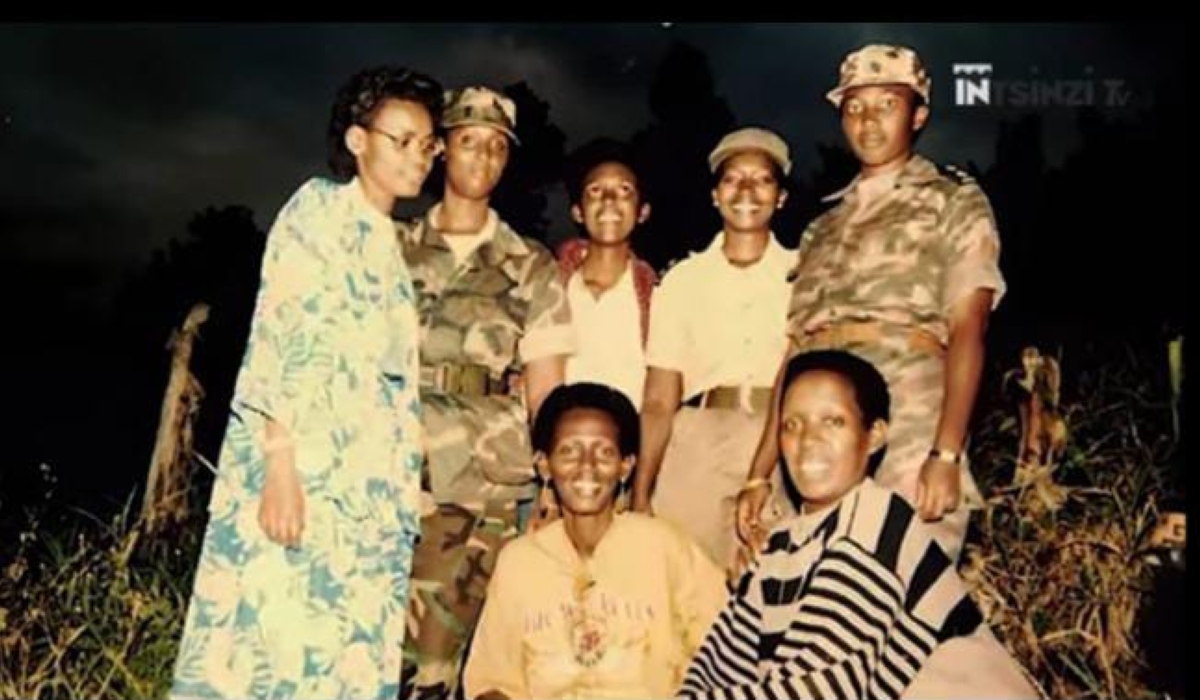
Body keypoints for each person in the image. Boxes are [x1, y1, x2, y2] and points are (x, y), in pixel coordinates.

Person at [170, 65, 441, 700]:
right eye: (401, 139)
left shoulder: (392, 244)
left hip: (366, 499)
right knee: (275, 639)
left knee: (342, 655)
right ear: (357, 141)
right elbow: (281, 337)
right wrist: (281, 466)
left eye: (427, 144)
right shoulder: (319, 209)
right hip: (306, 477)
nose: (419, 157)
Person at [739, 44, 1007, 561]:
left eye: (887, 104)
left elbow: (969, 326)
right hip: (816, 424)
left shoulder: (952, 199)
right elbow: (795, 354)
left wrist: (946, 451)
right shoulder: (823, 226)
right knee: (809, 593)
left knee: (904, 584)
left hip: (908, 417)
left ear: (919, 114)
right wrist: (758, 473)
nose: (868, 121)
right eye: (855, 107)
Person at [682, 350, 1037, 700]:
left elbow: (820, 690)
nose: (808, 440)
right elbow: (717, 669)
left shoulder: (877, 523)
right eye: (792, 424)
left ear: (876, 435)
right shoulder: (780, 546)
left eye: (833, 421)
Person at [398, 85, 575, 700]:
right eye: (468, 140)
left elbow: (547, 382)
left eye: (497, 147)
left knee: (447, 660)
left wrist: (551, 483)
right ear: (442, 148)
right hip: (390, 465)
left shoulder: (529, 263)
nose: (482, 156)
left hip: (482, 479)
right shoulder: (391, 247)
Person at [464, 382, 727, 699]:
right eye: (569, 451)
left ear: (625, 467)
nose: (587, 467)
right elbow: (491, 681)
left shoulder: (664, 548)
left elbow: (726, 653)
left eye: (604, 452)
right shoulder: (519, 561)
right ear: (544, 465)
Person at [633, 127, 795, 572]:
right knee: (685, 578)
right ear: (714, 195)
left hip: (778, 436)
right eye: (732, 179)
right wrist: (641, 491)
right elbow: (659, 398)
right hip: (698, 441)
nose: (745, 190)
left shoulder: (803, 275)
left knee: (771, 582)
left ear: (780, 197)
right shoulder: (683, 280)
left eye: (761, 179)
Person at [556, 138, 658, 412]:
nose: (610, 200)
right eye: (595, 191)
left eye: (624, 191)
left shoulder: (658, 298)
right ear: (577, 212)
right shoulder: (547, 285)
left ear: (643, 212)